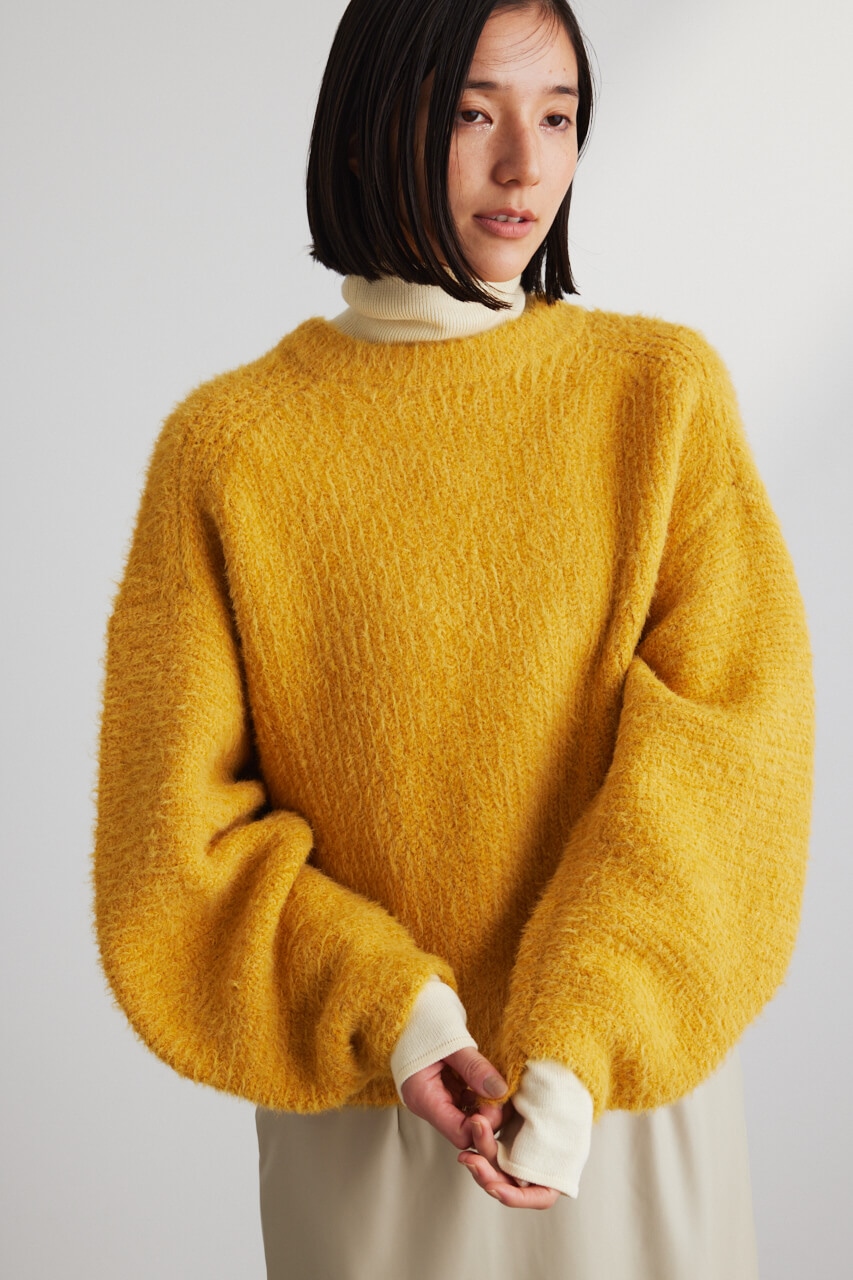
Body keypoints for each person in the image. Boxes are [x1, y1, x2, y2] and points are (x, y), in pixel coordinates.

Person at [93, 0, 814, 1276]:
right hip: (368, 1114)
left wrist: (577, 1048)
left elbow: (727, 763)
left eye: (559, 116)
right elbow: (177, 839)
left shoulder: (658, 398)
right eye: (474, 112)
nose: (526, 165)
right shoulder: (231, 448)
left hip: (617, 1119)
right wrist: (401, 1015)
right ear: (370, 124)